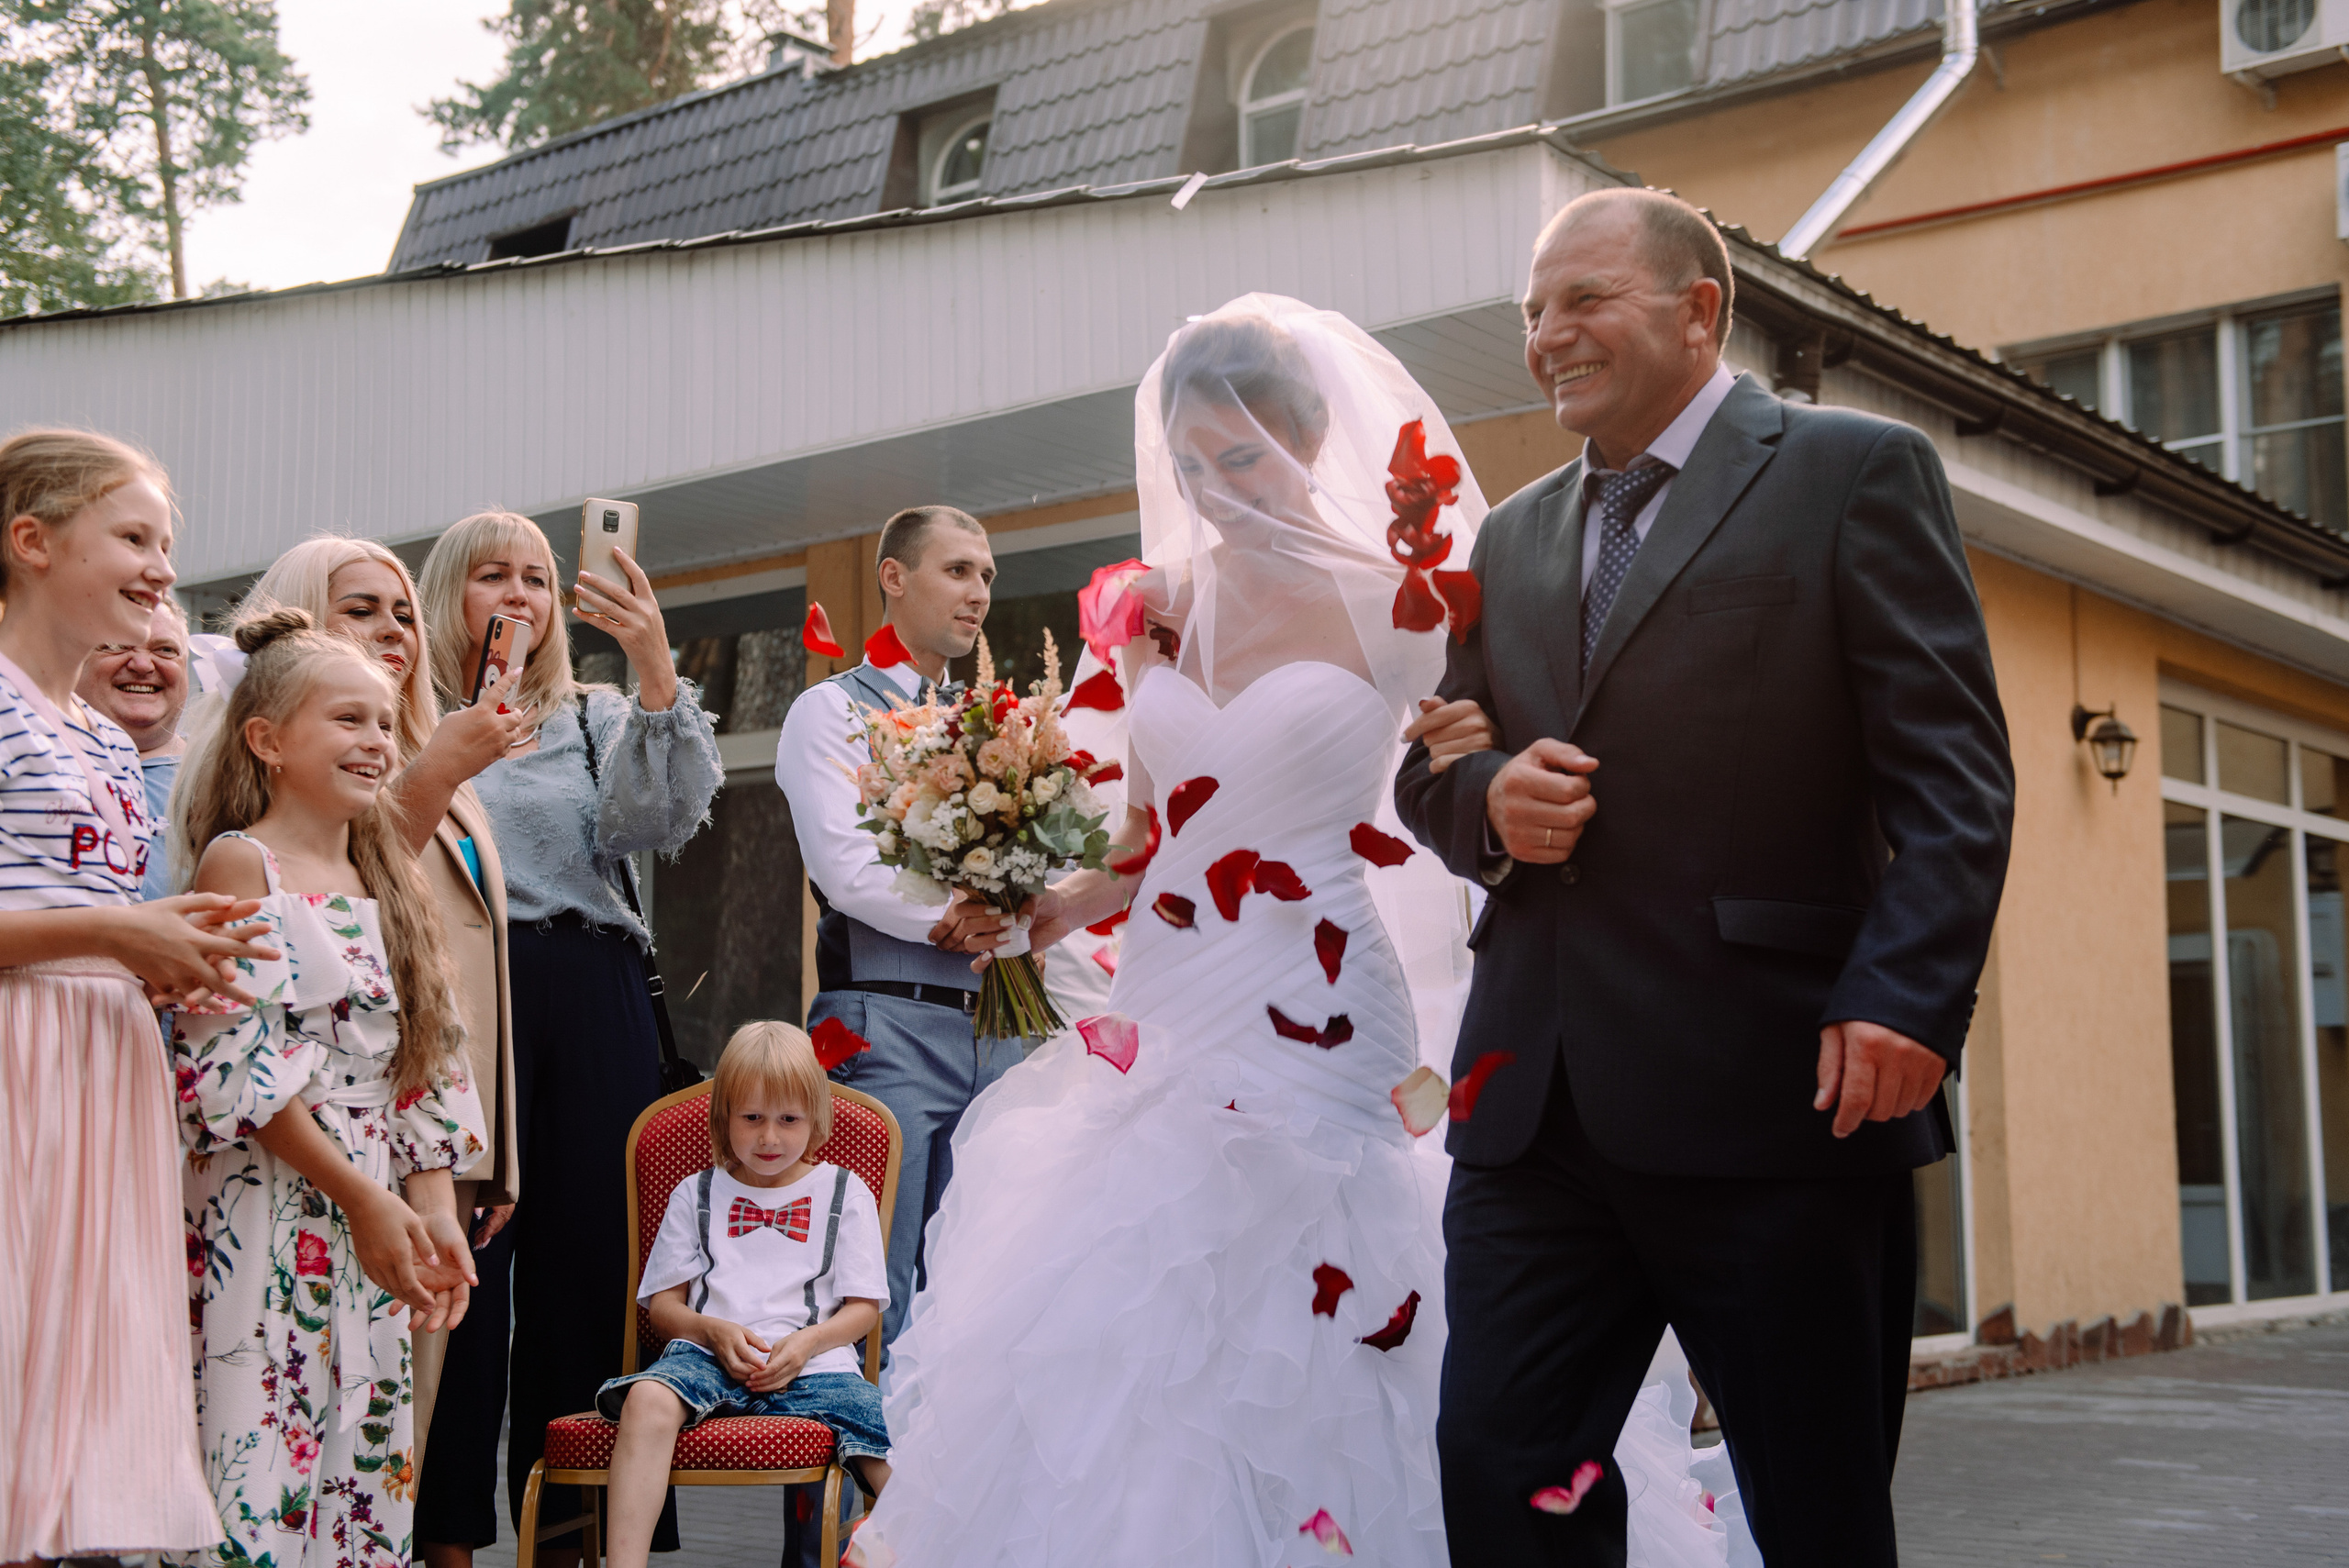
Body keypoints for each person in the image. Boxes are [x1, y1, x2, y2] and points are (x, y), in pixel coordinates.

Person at [852, 298, 1741, 1566]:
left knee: (1350, 1289)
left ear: (1314, 436)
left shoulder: (1401, 602)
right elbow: (1152, 834)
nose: (1217, 491)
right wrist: (1049, 904)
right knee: (1142, 1319)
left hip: (1321, 1001)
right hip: (1166, 992)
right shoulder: (1159, 609)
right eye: (1197, 465)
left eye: (1245, 459)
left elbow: (1480, 771)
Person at [1395, 188, 2014, 1565]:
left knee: (1815, 1510)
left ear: (1699, 309)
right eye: (1533, 312)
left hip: (1777, 1102)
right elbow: (1432, 770)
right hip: (1536, 1116)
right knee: (1500, 1476)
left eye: (1583, 301)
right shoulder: (1509, 539)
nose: (1547, 334)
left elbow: (1955, 779)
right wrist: (1490, 801)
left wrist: (1909, 1000)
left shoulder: (1854, 472)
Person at [411, 510, 721, 1567]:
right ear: (447, 591)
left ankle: (576, 1540)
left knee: (590, 1276)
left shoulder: (592, 714)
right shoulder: (405, 718)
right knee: (461, 1275)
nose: (519, 595)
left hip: (592, 987)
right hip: (465, 988)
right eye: (491, 575)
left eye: (537, 577)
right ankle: (442, 1537)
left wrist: (650, 664)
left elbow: (660, 821)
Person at [0, 428, 278, 1565]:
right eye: (134, 535)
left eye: (168, 542)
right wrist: (114, 930)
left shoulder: (112, 745)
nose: (164, 565)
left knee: (84, 1355)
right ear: (31, 541)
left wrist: (169, 950)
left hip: (107, 1067)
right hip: (17, 1050)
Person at [173, 606, 488, 1565]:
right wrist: (361, 1198)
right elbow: (234, 1068)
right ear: (267, 740)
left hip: (378, 1215)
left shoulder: (385, 870)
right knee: (261, 1446)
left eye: (385, 722)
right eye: (347, 719)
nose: (377, 740)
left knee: (364, 1452)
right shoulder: (242, 861)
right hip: (273, 1206)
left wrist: (429, 1209)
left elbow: (427, 1061)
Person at [233, 533, 532, 1479]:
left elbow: (444, 971)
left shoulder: (427, 757)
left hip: (427, 1139)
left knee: (385, 1443)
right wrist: (435, 770)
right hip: (304, 1160)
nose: (392, 629)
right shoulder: (278, 807)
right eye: (359, 608)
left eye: (402, 610)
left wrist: (479, 1155)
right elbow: (344, 879)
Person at [773, 506, 1023, 1350]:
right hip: (887, 1027)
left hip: (1001, 1028)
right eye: (957, 571)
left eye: (986, 575)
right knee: (868, 1290)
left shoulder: (1001, 726)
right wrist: (948, 915)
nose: (979, 592)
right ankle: (855, 1479)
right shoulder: (830, 712)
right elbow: (846, 868)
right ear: (894, 577)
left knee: (991, 1285)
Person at [594, 1020, 891, 1568]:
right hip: (707, 1358)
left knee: (893, 1441)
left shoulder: (844, 1192)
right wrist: (711, 1330)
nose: (769, 1138)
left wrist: (807, 1343)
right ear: (722, 1117)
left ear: (817, 1118)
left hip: (816, 1365)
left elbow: (863, 1310)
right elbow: (663, 1308)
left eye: (788, 1120)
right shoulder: (696, 1192)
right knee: (647, 1400)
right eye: (751, 1118)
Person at [74, 594, 194, 899]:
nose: (142, 664)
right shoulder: (30, 757)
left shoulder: (226, 775)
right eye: (117, 645)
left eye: (165, 650)